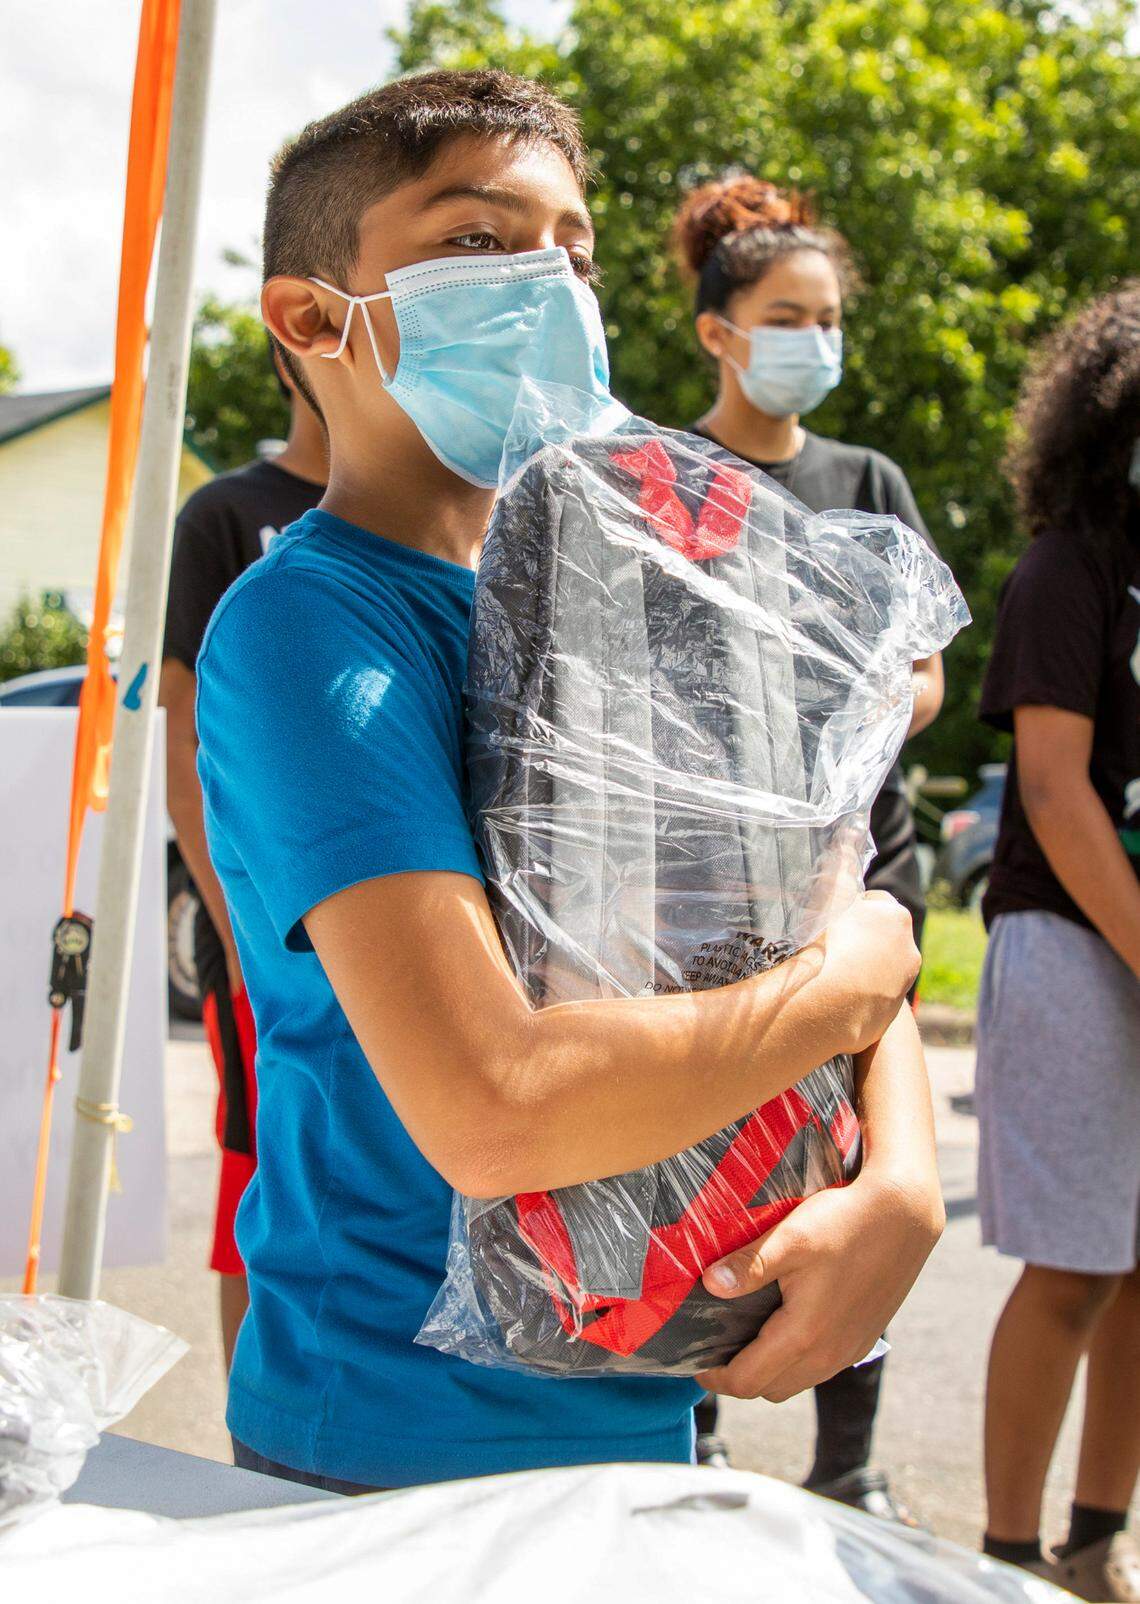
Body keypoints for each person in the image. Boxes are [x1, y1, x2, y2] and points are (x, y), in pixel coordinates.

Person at [195, 68, 944, 1493]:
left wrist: (902, 1169)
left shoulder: (628, 596)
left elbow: (812, 902)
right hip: (393, 1454)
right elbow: (497, 1107)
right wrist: (857, 988)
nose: (548, 288)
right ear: (308, 319)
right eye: (481, 243)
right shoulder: (313, 628)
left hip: (646, 1414)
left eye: (576, 254)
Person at [672, 175, 944, 1527]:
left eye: (829, 318)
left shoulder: (864, 482)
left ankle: (854, 1460)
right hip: (717, 895)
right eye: (789, 317)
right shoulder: (666, 480)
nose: (815, 341)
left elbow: (925, 672)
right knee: (718, 1160)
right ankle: (698, 1428)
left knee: (851, 1162)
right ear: (720, 331)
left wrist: (844, 706)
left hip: (861, 881)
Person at [975, 284, 1140, 1600]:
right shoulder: (1067, 570)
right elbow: (1052, 789)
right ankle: (1007, 1557)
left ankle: (1095, 1542)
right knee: (1076, 1268)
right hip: (1073, 945)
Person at [160, 350, 327, 1370]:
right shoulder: (229, 514)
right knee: (262, 1188)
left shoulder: (463, 506)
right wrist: (237, 920)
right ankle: (258, 1454)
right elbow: (181, 738)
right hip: (270, 943)